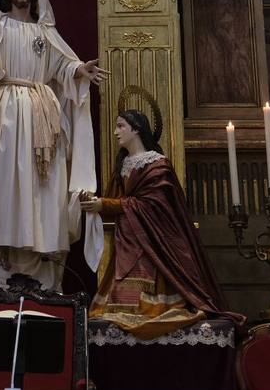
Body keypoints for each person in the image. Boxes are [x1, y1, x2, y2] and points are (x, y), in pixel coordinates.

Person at [0, 0, 106, 291]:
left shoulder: (45, 32)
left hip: (43, 115)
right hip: (6, 116)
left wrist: (79, 69)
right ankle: (3, 256)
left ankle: (42, 262)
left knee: (43, 185)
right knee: (6, 184)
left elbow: (62, 64)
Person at [80, 110, 242, 338]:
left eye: (120, 126)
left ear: (136, 129)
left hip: (153, 239)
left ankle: (156, 309)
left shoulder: (157, 165)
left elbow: (153, 205)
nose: (116, 132)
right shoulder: (124, 165)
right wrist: (94, 202)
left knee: (152, 287)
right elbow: (116, 200)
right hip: (128, 239)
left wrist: (106, 204)